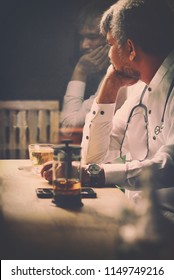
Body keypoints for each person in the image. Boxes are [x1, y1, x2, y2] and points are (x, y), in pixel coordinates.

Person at [80, 0, 174, 207]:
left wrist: (98, 175)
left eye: (111, 44)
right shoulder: (138, 89)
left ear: (130, 48)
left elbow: (170, 165)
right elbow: (94, 159)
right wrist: (108, 90)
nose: (109, 54)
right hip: (136, 217)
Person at [60, 0, 127, 128]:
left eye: (92, 37)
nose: (84, 45)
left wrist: (80, 71)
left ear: (112, 37)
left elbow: (69, 126)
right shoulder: (102, 73)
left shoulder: (119, 77)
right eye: (81, 38)